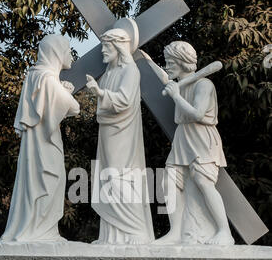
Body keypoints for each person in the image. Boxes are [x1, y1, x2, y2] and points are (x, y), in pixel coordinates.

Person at [0, 34, 80, 242]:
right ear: (56, 52)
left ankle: (43, 231)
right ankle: (41, 233)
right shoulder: (45, 77)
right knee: (49, 180)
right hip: (44, 145)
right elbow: (74, 107)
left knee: (41, 182)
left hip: (38, 144)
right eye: (67, 50)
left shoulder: (35, 75)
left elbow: (47, 105)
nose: (69, 55)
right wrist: (66, 94)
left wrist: (61, 91)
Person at [155, 41, 234, 245]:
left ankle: (224, 232)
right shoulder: (181, 85)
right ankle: (175, 232)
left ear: (182, 62)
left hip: (202, 138)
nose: (167, 66)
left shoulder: (203, 84)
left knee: (203, 183)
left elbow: (198, 114)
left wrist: (176, 96)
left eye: (170, 62)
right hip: (183, 137)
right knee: (169, 180)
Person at [86, 25, 154, 244]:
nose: (103, 51)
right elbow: (105, 104)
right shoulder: (109, 73)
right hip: (108, 132)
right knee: (107, 178)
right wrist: (100, 93)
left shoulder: (130, 71)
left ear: (118, 47)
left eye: (107, 47)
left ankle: (135, 230)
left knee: (120, 178)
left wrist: (99, 92)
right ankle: (110, 235)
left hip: (123, 133)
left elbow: (124, 101)